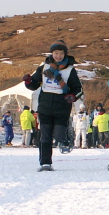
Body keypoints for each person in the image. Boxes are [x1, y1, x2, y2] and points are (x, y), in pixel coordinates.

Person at [23, 40, 83, 171]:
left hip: (62, 108)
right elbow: (33, 85)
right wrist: (28, 81)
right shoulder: (44, 68)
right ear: (52, 53)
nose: (58, 56)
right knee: (45, 136)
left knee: (58, 135)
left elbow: (78, 89)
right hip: (45, 107)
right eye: (56, 53)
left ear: (65, 54)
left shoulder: (70, 70)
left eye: (61, 53)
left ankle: (65, 135)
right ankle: (45, 163)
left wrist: (72, 96)